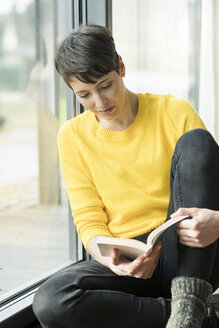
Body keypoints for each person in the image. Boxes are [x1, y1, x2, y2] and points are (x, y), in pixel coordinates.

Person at [32, 24, 219, 328]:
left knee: (198, 142)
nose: (100, 103)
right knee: (51, 300)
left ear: (120, 66)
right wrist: (109, 260)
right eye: (85, 95)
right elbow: (88, 220)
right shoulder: (72, 136)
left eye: (105, 85)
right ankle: (203, 316)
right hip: (130, 260)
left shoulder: (174, 111)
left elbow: (209, 186)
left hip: (186, 254)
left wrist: (217, 221)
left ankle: (187, 310)